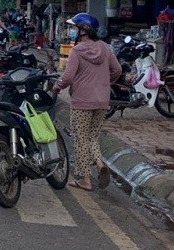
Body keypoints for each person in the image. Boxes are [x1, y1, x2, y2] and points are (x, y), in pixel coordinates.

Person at [53, 13, 123, 191]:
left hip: (82, 102)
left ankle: (84, 178)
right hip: (102, 101)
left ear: (83, 30)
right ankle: (99, 164)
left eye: (75, 28)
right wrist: (105, 83)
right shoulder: (105, 48)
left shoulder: (77, 51)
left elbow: (68, 76)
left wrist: (56, 87)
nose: (72, 31)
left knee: (80, 139)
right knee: (92, 137)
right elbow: (117, 70)